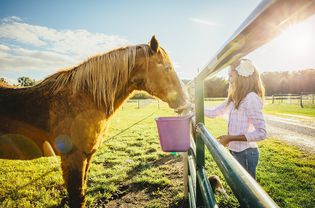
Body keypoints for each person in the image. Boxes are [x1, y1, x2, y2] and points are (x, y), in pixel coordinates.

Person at [205, 59, 266, 179]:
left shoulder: (251, 98)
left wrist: (230, 138)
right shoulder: (234, 98)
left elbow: (262, 133)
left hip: (246, 153)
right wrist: (193, 107)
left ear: (242, 78)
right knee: (239, 186)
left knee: (247, 192)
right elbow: (213, 112)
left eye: (230, 76)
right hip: (235, 151)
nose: (228, 80)